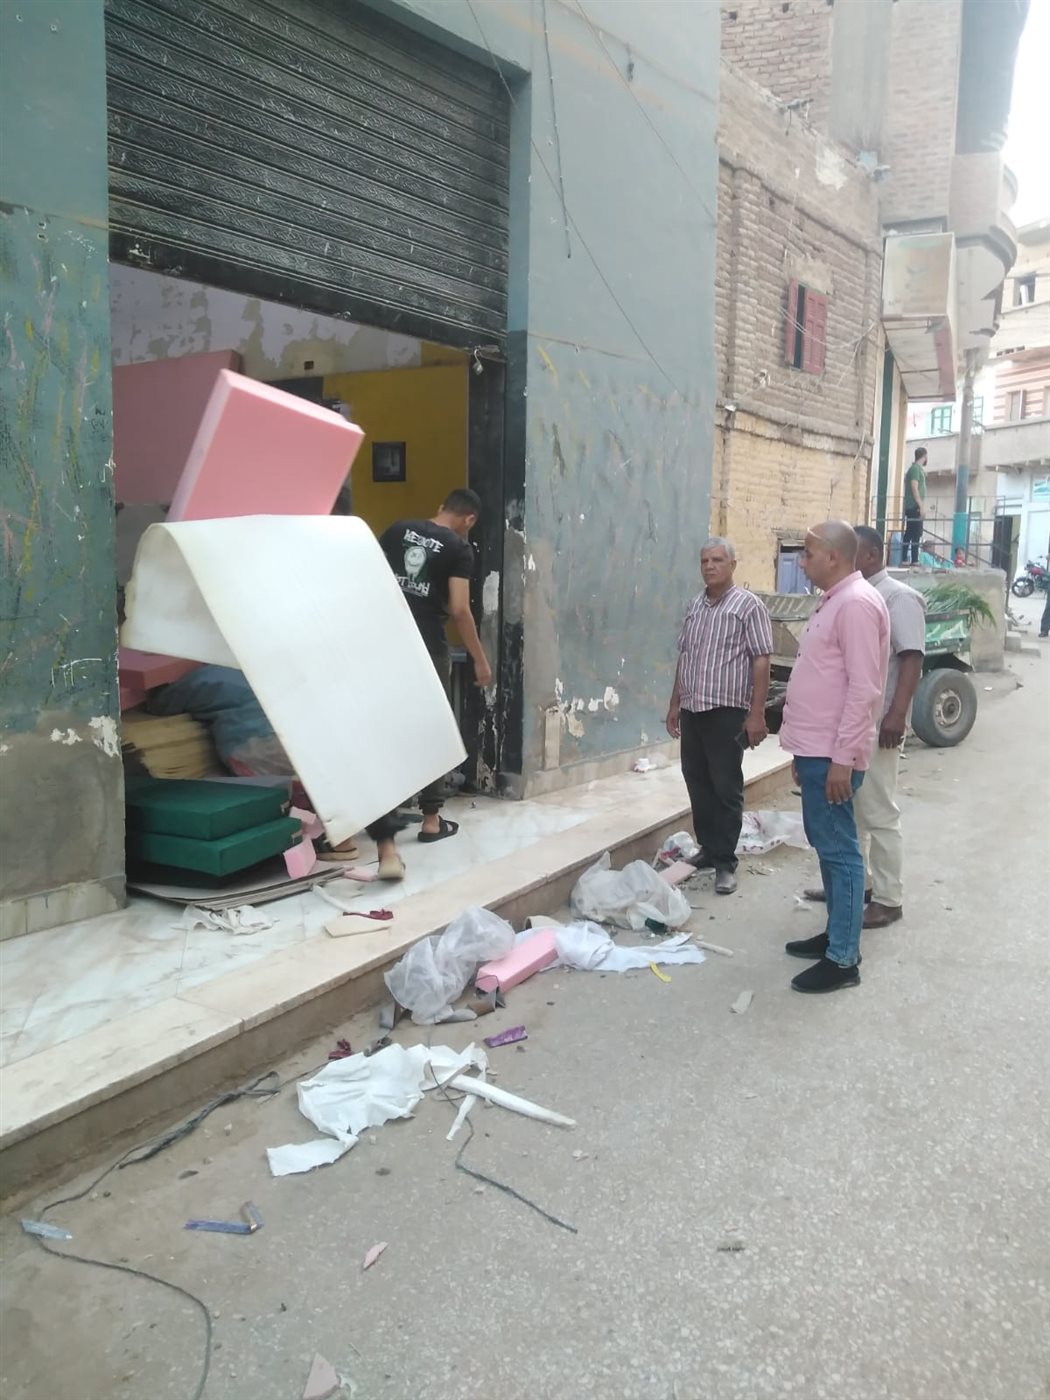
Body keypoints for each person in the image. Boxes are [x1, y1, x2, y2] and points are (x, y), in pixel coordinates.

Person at [147, 665, 408, 880]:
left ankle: (332, 839)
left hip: (253, 749)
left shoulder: (207, 675)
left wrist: (156, 693)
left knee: (285, 788)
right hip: (300, 739)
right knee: (342, 778)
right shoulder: (273, 672)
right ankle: (383, 851)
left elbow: (163, 703)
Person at [779, 521, 889, 993]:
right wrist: (801, 751)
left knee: (841, 852)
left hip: (833, 756)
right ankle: (835, 935)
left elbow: (864, 689)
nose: (802, 562)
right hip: (817, 751)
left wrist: (842, 759)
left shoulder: (857, 604)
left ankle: (844, 960)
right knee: (828, 846)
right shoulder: (835, 600)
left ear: (834, 557)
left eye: (808, 553)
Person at [377, 489, 493, 851]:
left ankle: (383, 811)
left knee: (385, 723)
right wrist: (479, 658)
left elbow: (370, 578)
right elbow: (459, 609)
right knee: (433, 728)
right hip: (427, 643)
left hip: (387, 638)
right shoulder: (459, 549)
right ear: (469, 519)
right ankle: (430, 820)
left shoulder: (398, 530)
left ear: (441, 507)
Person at [666, 538, 773, 896]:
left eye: (717, 560)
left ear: (732, 565)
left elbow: (761, 659)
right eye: (704, 561)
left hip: (726, 710)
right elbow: (685, 657)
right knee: (696, 780)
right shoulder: (694, 605)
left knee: (725, 786)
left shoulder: (748, 606)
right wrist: (674, 704)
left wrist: (756, 713)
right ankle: (708, 849)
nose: (709, 566)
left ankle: (726, 862)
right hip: (693, 708)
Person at [903, 447, 927, 565]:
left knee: (913, 532)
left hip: (914, 505)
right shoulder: (915, 469)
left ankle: (909, 558)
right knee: (914, 532)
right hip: (914, 506)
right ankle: (913, 559)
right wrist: (921, 505)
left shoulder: (917, 469)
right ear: (924, 456)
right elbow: (914, 487)